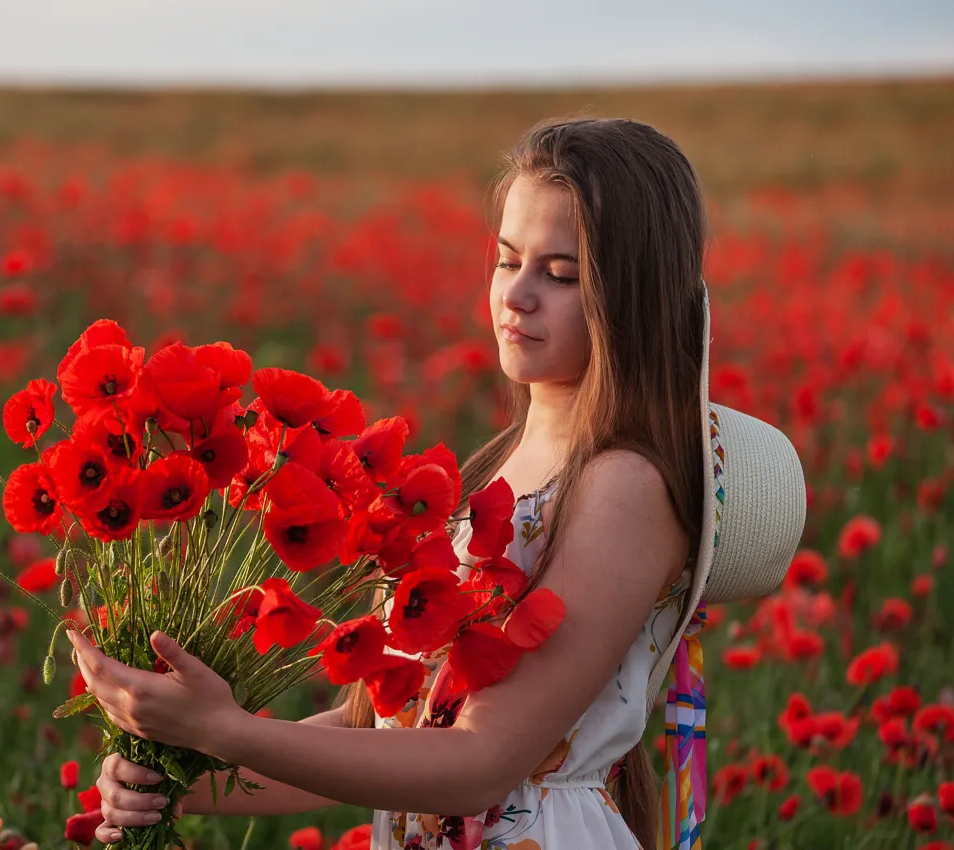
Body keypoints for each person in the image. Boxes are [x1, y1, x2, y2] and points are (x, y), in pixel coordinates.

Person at [73, 116, 806, 850]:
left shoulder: (625, 486)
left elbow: (482, 764)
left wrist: (224, 731)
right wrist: (180, 772)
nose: (516, 295)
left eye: (560, 274)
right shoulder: (495, 469)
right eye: (507, 261)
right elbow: (385, 733)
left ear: (636, 296)